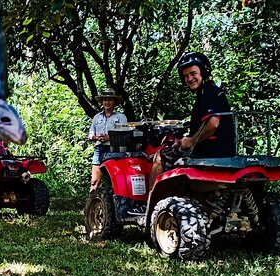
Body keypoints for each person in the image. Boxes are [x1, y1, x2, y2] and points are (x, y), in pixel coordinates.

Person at [145, 52, 235, 199]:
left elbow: (213, 123)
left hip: (208, 151)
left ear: (203, 72)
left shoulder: (207, 91)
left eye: (193, 74)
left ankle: (152, 203)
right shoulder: (212, 91)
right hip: (222, 148)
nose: (189, 79)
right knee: (176, 147)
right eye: (186, 76)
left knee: (160, 156)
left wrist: (192, 140)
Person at [88, 88, 127, 191]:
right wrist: (97, 138)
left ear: (114, 102)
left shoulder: (120, 117)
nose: (107, 102)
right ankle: (92, 204)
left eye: (110, 100)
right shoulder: (97, 117)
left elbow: (125, 133)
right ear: (102, 102)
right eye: (105, 100)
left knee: (115, 180)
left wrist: (110, 137)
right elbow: (90, 134)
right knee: (94, 181)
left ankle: (115, 203)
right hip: (99, 149)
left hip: (114, 149)